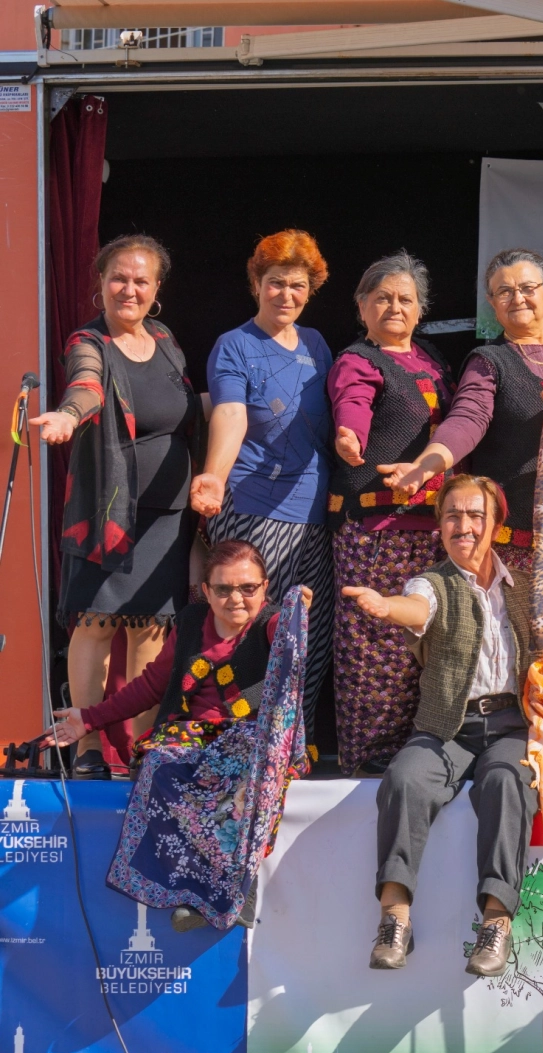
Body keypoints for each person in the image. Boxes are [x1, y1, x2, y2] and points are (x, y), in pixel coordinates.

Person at [41, 540, 312, 930]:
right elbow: (151, 685)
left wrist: (297, 612)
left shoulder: (273, 624)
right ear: (206, 590)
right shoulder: (189, 623)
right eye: (223, 589)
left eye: (248, 588)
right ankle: (196, 893)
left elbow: (293, 641)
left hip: (248, 737)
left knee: (248, 773)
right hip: (188, 734)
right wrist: (89, 718)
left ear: (265, 587)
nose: (236, 598)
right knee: (160, 768)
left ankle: (233, 891)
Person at [342, 475, 539, 977]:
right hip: (447, 727)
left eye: (476, 515)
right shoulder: (432, 582)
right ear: (439, 525)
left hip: (512, 725)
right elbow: (417, 608)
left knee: (506, 781)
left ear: (496, 524)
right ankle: (395, 917)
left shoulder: (523, 587)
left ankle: (495, 923)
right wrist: (386, 607)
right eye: (453, 515)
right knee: (406, 778)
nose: (464, 526)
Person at [34, 235, 202, 780]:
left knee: (151, 630)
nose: (129, 289)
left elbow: (181, 409)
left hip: (167, 516)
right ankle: (85, 751)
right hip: (107, 512)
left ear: (157, 291)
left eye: (141, 280)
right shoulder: (90, 341)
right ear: (100, 283)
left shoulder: (166, 339)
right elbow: (86, 386)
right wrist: (66, 415)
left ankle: (137, 754)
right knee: (97, 623)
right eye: (119, 278)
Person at [191, 229, 336, 706]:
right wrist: (213, 475)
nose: (286, 295)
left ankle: (295, 742)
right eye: (276, 282)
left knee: (306, 636)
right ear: (256, 282)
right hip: (251, 509)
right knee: (247, 628)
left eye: (297, 285)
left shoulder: (317, 345)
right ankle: (239, 738)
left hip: (312, 515)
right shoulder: (234, 345)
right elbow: (229, 413)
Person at [374, 248, 543, 574]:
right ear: (492, 302)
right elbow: (466, 421)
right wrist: (425, 466)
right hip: (516, 539)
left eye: (527, 288)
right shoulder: (488, 362)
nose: (517, 298)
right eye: (505, 291)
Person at [326, 251, 454, 776]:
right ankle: (368, 766)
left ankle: (415, 764)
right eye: (382, 298)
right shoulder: (357, 359)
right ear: (362, 307)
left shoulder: (430, 360)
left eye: (405, 299)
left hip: (432, 531)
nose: (394, 307)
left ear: (421, 310)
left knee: (421, 649)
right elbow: (352, 402)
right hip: (376, 532)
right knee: (374, 651)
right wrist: (348, 434)